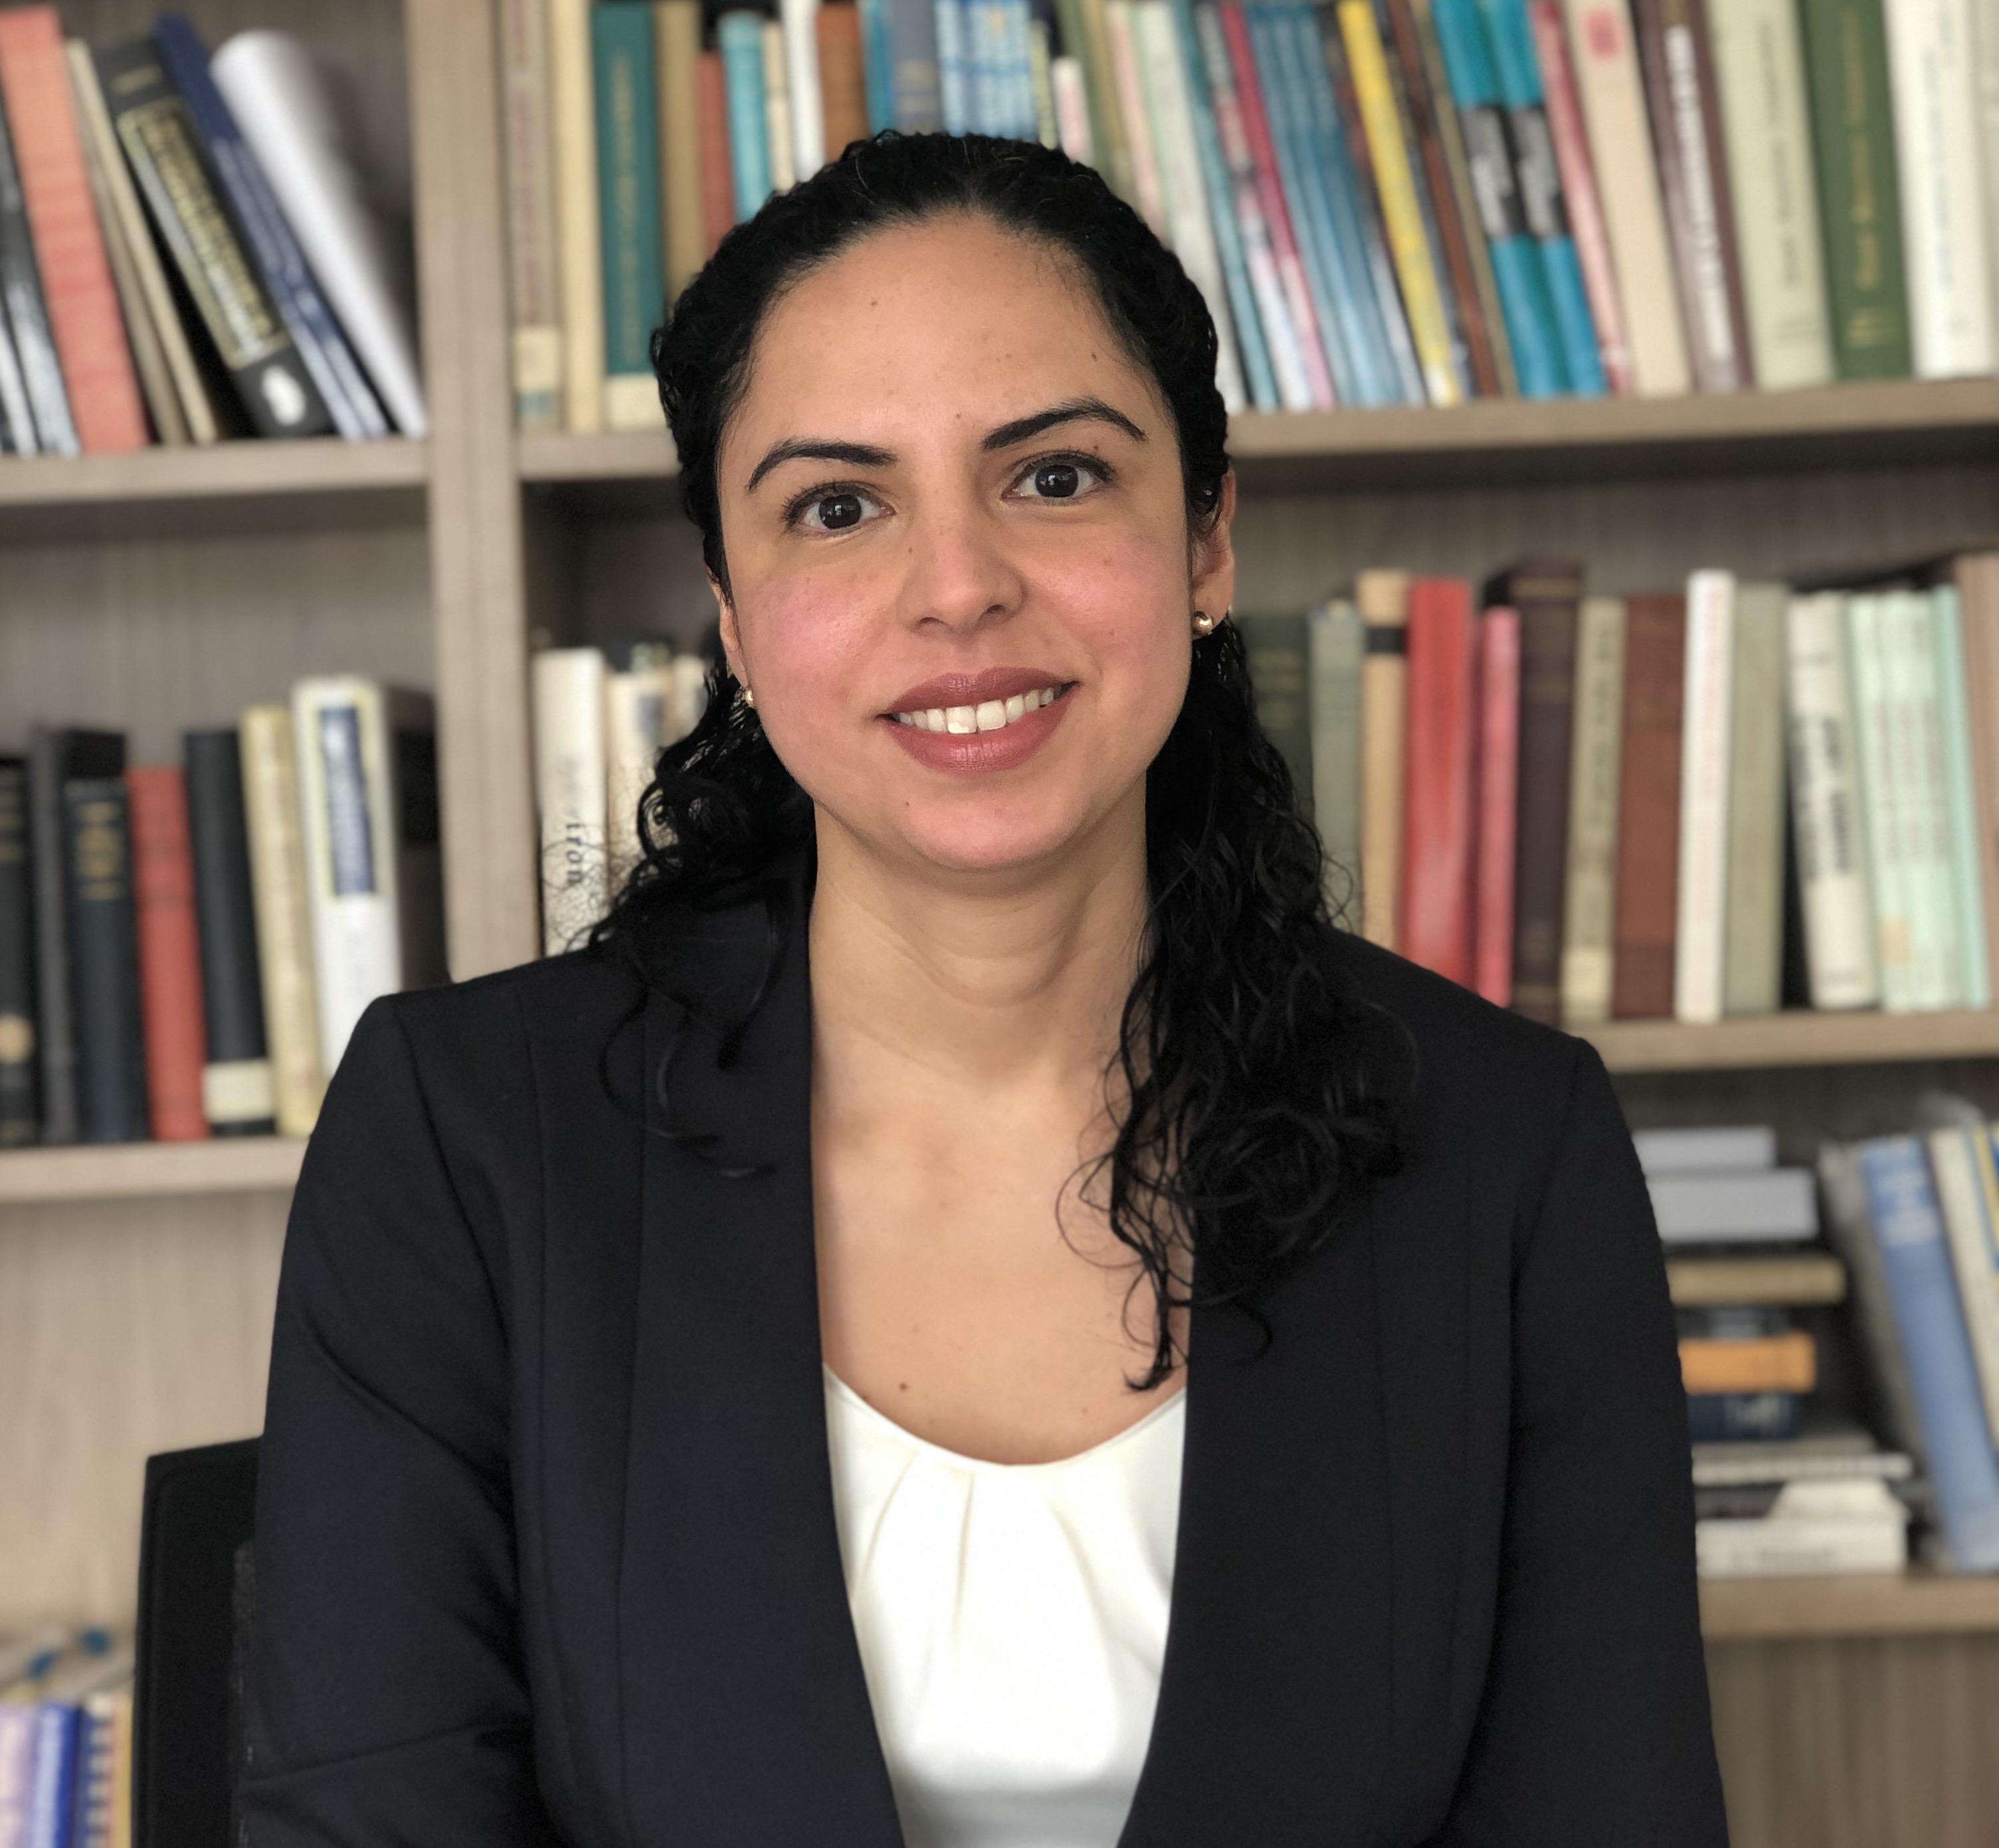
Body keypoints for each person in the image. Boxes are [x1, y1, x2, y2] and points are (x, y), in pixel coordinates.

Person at [246, 134, 1727, 1847]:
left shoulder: (1506, 1146)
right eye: (839, 506)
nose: (958, 587)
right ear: (733, 614)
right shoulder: (464, 1141)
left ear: (1207, 540)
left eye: (1054, 476)